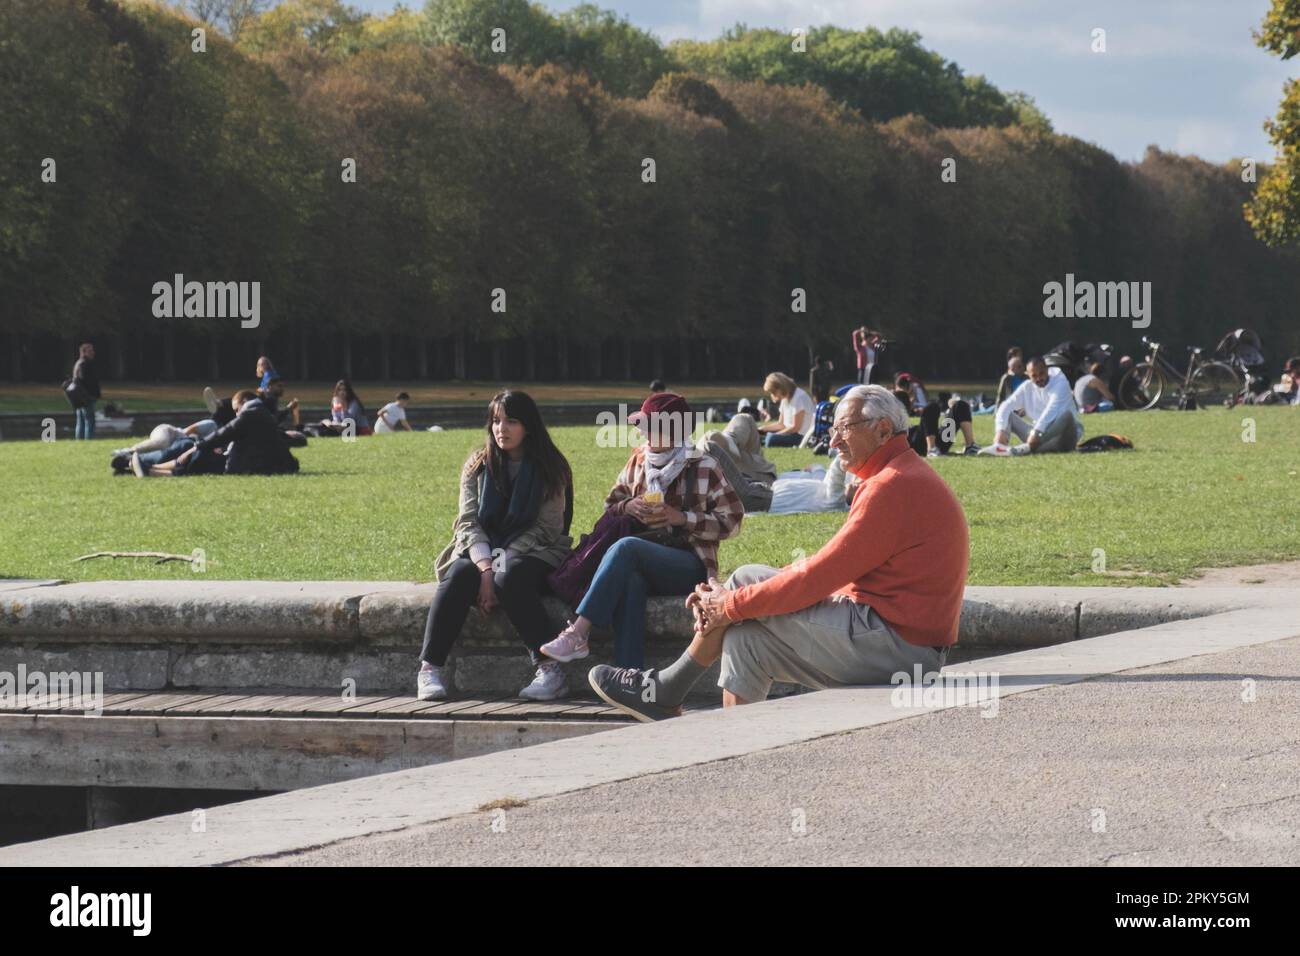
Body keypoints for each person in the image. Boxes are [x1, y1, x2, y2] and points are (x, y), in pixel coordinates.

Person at [585, 385, 969, 719]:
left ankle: (667, 689)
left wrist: (728, 604)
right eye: (832, 430)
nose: (833, 441)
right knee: (744, 640)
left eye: (842, 430)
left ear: (882, 430)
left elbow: (818, 578)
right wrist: (733, 606)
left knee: (743, 581)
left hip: (900, 649)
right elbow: (830, 566)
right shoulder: (901, 475)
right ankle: (741, 745)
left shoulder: (892, 486)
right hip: (904, 647)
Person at [538, 391, 743, 668]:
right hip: (643, 558)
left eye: (651, 426)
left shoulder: (704, 466)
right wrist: (629, 506)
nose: (643, 432)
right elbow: (611, 504)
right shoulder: (638, 460)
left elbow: (732, 521)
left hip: (690, 563)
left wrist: (681, 518)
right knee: (631, 581)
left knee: (626, 548)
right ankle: (629, 677)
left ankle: (578, 632)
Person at [417, 391, 574, 702]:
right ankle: (429, 668)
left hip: (536, 549)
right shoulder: (477, 464)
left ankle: (549, 669)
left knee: (510, 578)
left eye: (511, 421)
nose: (501, 429)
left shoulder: (550, 466)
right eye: (496, 421)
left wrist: (497, 566)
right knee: (460, 574)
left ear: (528, 425)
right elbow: (468, 522)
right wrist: (485, 567)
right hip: (481, 548)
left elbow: (547, 528)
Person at [140, 390, 300, 476]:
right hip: (258, 463)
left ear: (244, 402)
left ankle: (151, 468)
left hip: (246, 465)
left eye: (237, 410)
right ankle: (150, 467)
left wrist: (197, 447)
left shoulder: (251, 414)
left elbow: (224, 433)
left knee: (197, 454)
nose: (237, 414)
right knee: (196, 451)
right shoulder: (263, 414)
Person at [980, 357, 1083, 456]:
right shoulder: (1027, 387)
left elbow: (1052, 409)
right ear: (1028, 375)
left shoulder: (1060, 382)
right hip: (1037, 439)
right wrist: (1000, 431)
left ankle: (1026, 449)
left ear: (1047, 370)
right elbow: (1005, 405)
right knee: (1008, 415)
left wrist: (1036, 433)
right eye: (1034, 376)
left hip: (1063, 437)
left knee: (1067, 416)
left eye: (1041, 373)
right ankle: (999, 447)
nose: (1039, 378)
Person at [695, 414, 777, 513]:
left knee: (743, 418)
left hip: (747, 473)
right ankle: (729, 441)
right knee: (744, 419)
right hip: (749, 477)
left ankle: (729, 441)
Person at [761, 454, 860, 514]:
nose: (859, 487)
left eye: (859, 493)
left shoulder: (835, 501)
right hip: (766, 487)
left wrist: (848, 447)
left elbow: (837, 468)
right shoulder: (826, 490)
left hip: (766, 498)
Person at [757, 372, 817, 448]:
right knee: (761, 434)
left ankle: (764, 440)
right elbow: (781, 424)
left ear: (779, 388)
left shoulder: (799, 397)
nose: (772, 395)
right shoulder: (785, 398)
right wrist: (762, 429)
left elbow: (795, 427)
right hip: (789, 433)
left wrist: (775, 434)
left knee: (770, 438)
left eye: (773, 392)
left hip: (800, 436)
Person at [920, 392, 979, 456]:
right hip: (917, 443)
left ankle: (970, 446)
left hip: (940, 444)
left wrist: (949, 407)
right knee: (931, 407)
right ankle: (931, 450)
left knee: (960, 405)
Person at [71, 343, 101, 440]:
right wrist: (94, 393)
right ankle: (89, 441)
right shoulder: (85, 363)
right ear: (84, 352)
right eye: (90, 351)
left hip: (79, 396)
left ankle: (79, 441)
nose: (93, 353)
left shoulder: (78, 363)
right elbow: (87, 381)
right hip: (87, 396)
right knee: (89, 420)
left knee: (81, 421)